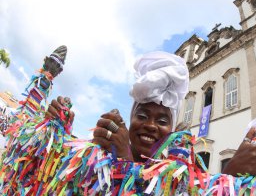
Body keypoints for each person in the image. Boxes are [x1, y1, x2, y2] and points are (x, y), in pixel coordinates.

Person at [47, 51, 189, 162]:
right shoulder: (100, 157)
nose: (151, 125)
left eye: (162, 121)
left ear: (172, 131)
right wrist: (55, 133)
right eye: (142, 116)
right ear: (130, 119)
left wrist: (124, 160)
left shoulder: (173, 185)